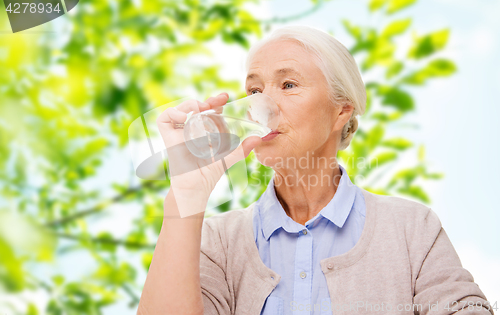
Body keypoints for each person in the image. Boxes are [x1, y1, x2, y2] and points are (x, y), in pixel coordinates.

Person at [137, 26, 494, 315]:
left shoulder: (411, 228)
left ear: (341, 111)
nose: (262, 107)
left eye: (288, 84)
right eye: (255, 90)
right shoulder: (218, 241)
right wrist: (186, 196)